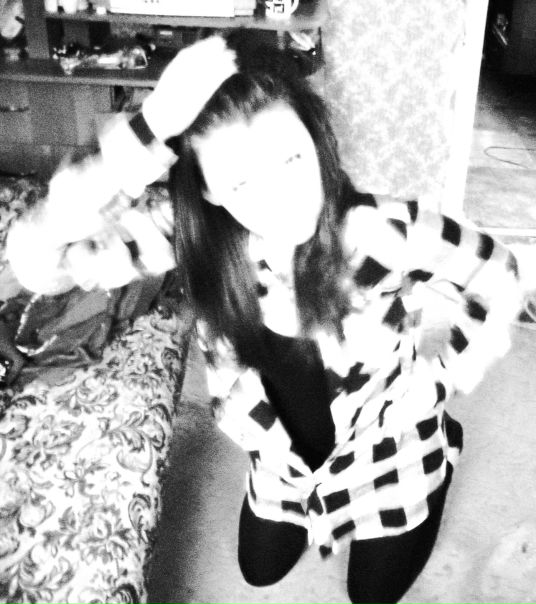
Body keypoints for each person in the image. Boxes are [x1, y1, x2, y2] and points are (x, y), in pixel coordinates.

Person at [5, 30, 521, 604]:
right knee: (258, 572)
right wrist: (148, 130)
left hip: (388, 449)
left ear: (315, 139)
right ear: (209, 191)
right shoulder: (199, 243)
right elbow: (36, 262)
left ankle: (441, 453)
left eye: (291, 158)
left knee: (370, 597)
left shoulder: (386, 232)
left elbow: (499, 275)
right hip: (282, 464)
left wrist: (442, 379)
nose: (282, 198)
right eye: (242, 180)